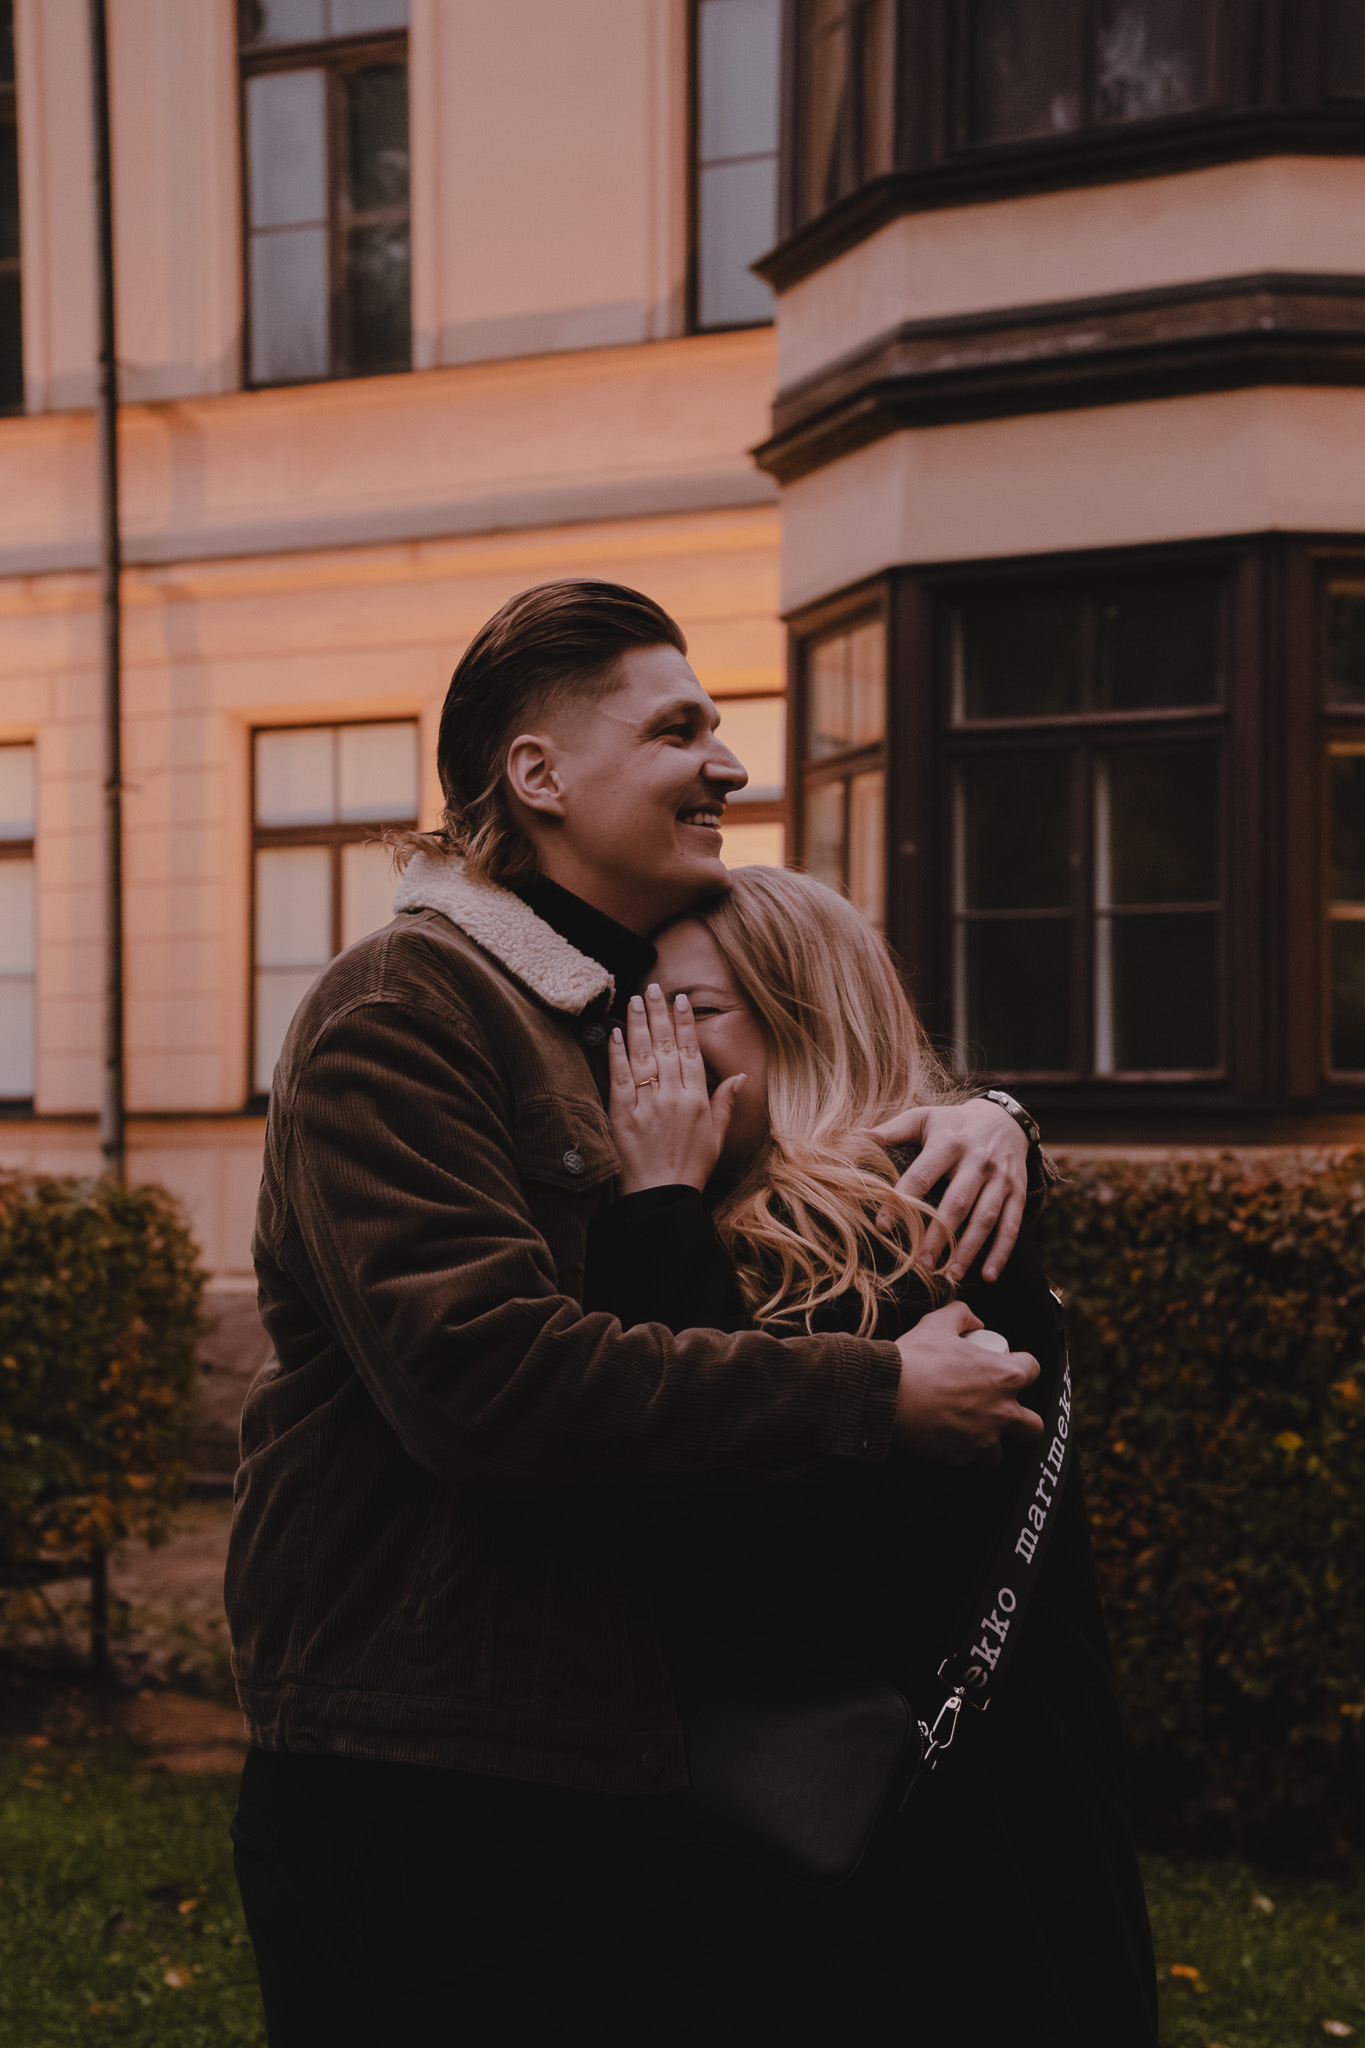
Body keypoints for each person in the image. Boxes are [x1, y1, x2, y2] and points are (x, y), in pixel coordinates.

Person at [226, 580, 1046, 2047]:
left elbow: (821, 1095)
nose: (727, 765)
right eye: (679, 729)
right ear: (535, 776)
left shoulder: (607, 1008)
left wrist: (993, 1116)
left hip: (604, 1759)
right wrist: (875, 1397)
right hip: (426, 1774)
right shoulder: (407, 1009)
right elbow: (483, 1376)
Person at [583, 864, 1158, 2046]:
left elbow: (723, 1529)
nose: (645, 1058)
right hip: (929, 1830)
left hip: (927, 1858)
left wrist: (656, 1209)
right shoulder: (865, 1198)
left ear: (806, 1021)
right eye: (630, 1018)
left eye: (689, 1014)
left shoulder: (895, 1226)